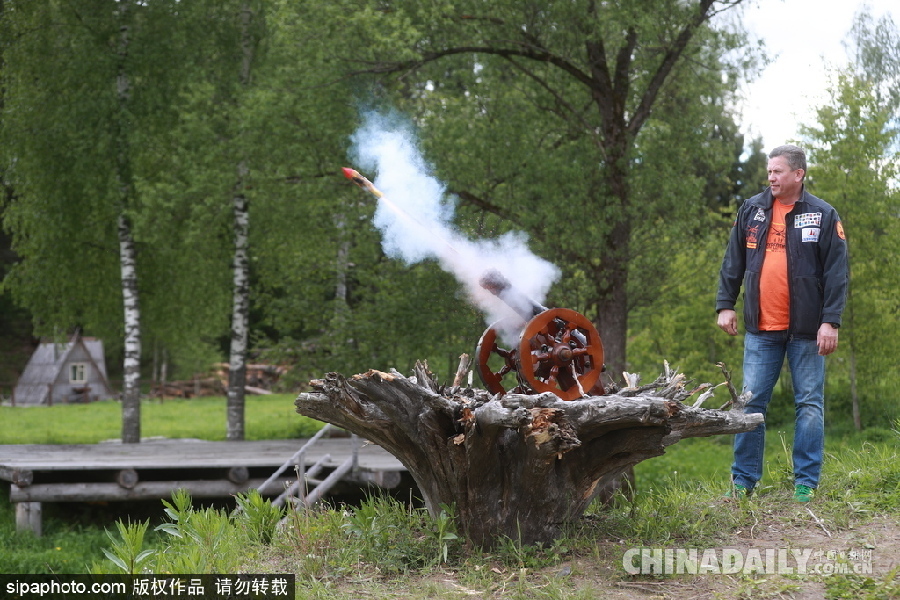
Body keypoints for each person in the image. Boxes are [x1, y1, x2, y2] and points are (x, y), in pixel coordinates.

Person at [715, 144, 849, 503]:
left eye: (777, 171)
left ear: (798, 174)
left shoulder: (822, 214)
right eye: (769, 171)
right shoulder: (753, 209)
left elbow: (837, 274)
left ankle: (805, 482)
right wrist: (725, 304)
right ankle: (743, 481)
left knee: (809, 404)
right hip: (761, 328)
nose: (770, 177)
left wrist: (830, 322)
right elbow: (733, 260)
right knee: (750, 402)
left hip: (807, 331)